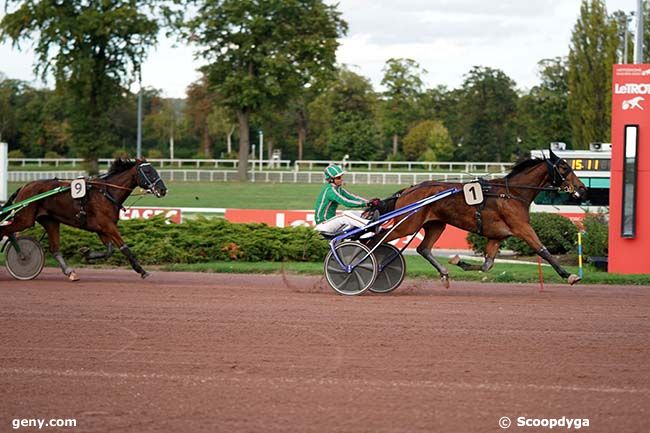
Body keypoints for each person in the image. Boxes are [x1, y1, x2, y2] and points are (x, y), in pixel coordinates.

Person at [314, 164, 380, 235]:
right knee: (345, 215)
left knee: (355, 213)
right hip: (323, 225)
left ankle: (374, 226)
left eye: (341, 177)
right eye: (338, 178)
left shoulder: (338, 189)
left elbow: (352, 197)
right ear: (331, 180)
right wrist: (365, 204)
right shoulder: (330, 190)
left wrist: (368, 201)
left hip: (329, 223)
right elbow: (345, 202)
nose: (341, 179)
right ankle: (369, 225)